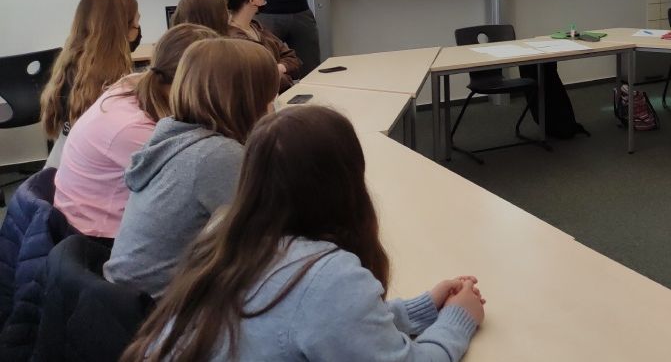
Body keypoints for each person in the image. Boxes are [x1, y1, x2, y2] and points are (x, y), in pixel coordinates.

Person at [120, 106, 484, 362]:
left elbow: (318, 325)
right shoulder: (327, 276)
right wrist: (458, 319)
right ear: (345, 181)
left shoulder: (222, 236)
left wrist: (422, 308)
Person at [104, 39, 279, 297]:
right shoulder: (215, 155)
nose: (272, 107)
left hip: (125, 301)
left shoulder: (174, 135)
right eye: (269, 97)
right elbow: (270, 236)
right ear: (247, 100)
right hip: (161, 311)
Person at [53, 24, 219, 241]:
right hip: (98, 237)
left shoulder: (133, 87)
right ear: (196, 81)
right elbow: (193, 182)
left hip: (92, 220)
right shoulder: (132, 128)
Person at [40, 0, 141, 168]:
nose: (138, 29)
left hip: (61, 169)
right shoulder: (113, 83)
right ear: (120, 28)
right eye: (136, 21)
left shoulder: (69, 67)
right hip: (85, 179)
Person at [218, 0, 303, 92]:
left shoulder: (257, 28)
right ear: (252, 0)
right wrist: (281, 73)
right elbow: (260, 79)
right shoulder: (233, 40)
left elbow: (293, 59)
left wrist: (278, 68)